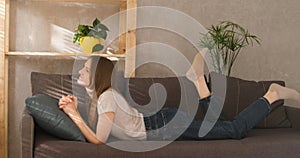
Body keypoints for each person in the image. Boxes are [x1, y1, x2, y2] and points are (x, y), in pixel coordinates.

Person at [58, 54, 300, 144]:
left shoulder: (107, 98)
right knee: (226, 126)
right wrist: (78, 107)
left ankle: (271, 95)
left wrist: (73, 114)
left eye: (86, 70)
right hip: (164, 121)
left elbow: (99, 140)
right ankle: (199, 84)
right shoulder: (104, 97)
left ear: (98, 76)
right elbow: (98, 128)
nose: (80, 72)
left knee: (235, 130)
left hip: (166, 125)